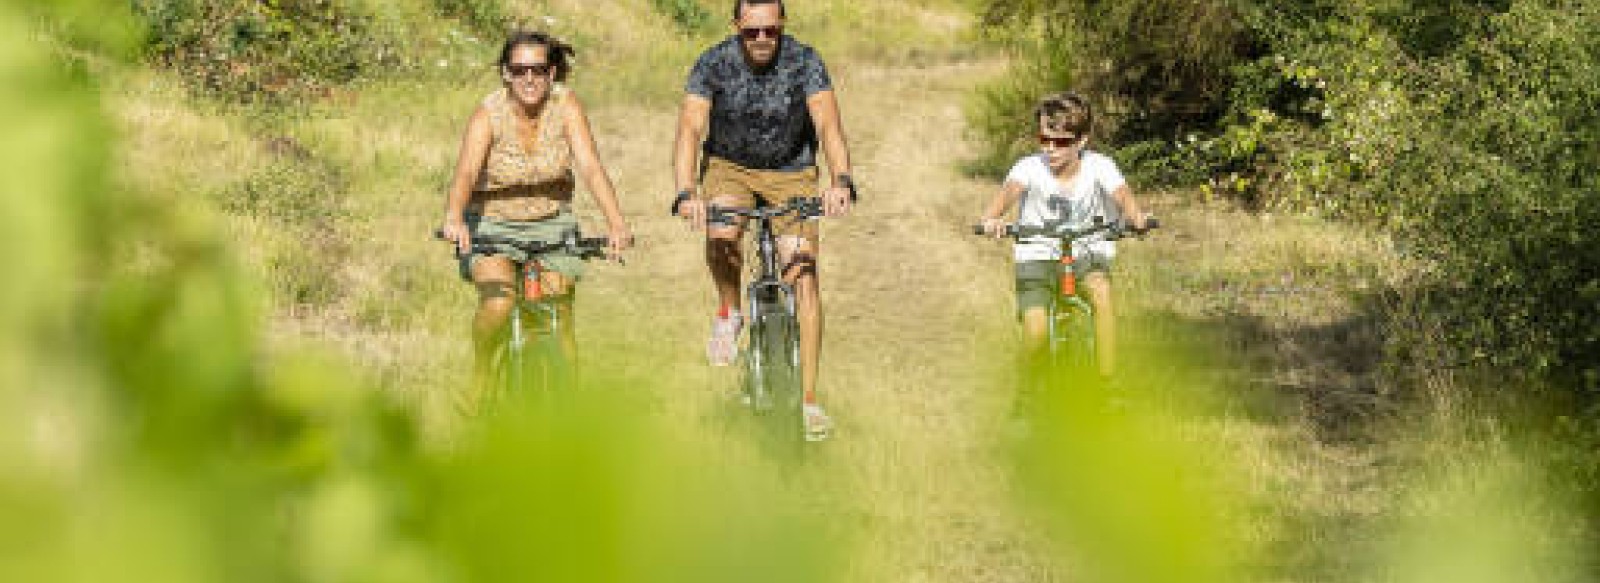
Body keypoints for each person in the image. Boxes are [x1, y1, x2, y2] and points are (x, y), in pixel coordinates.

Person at [670, 0, 856, 440]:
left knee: (803, 274)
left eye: (770, 30)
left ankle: (810, 401)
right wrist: (686, 191)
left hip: (792, 171)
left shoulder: (805, 61)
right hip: (730, 167)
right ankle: (730, 311)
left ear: (782, 25)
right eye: (751, 31)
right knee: (722, 234)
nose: (761, 40)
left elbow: (828, 125)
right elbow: (690, 129)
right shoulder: (712, 63)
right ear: (736, 26)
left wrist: (841, 180)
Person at [439, 30, 633, 413]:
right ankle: (480, 375)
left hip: (551, 223)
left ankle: (568, 415)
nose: (530, 79)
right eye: (520, 70)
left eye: (539, 70)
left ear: (553, 72)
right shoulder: (488, 114)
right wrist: (454, 218)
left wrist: (616, 223)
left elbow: (591, 167)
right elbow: (464, 173)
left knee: (560, 320)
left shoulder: (567, 107)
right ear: (506, 74)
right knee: (497, 305)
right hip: (492, 223)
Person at [978, 91, 1149, 385]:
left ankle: (1107, 384)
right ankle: (1027, 394)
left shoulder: (1100, 166)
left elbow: (1122, 195)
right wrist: (992, 220)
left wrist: (1137, 218)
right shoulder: (1028, 168)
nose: (1051, 149)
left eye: (1061, 142)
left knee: (1101, 294)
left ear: (1081, 141)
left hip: (1087, 252)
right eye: (1044, 139)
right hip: (1037, 253)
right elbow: (1006, 197)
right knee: (1036, 331)